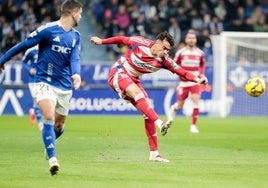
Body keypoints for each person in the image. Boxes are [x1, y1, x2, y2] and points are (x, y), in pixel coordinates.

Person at [90, 31, 208, 162]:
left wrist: (198, 79)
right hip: (119, 71)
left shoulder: (165, 61)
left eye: (168, 50)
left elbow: (182, 72)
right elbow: (122, 39)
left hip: (134, 79)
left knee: (147, 110)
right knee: (138, 95)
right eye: (164, 48)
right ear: (158, 42)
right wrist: (102, 41)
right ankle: (160, 123)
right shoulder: (141, 42)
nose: (165, 52)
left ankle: (154, 154)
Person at [0, 0, 83, 176]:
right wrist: (2, 60)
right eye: (80, 14)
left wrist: (76, 74)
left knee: (59, 126)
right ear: (73, 13)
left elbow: (75, 58)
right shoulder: (48, 29)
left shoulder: (75, 36)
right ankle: (53, 159)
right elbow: (24, 45)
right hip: (44, 82)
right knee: (48, 115)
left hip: (64, 86)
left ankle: (49, 144)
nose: (81, 17)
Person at [168, 29, 207, 133]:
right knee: (180, 106)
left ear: (195, 40)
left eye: (193, 38)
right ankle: (174, 108)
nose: (191, 40)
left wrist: (202, 75)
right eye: (189, 38)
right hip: (183, 82)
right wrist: (179, 74)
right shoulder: (181, 52)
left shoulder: (200, 53)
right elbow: (174, 64)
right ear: (186, 39)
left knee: (196, 101)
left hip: (195, 81)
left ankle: (193, 126)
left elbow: (202, 65)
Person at [22, 45, 44, 131]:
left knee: (43, 100)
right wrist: (29, 69)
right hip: (33, 80)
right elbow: (23, 62)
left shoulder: (48, 48)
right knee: (37, 99)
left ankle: (33, 111)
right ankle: (40, 123)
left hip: (45, 79)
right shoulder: (31, 50)